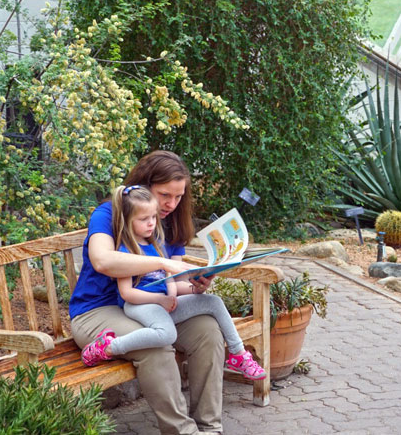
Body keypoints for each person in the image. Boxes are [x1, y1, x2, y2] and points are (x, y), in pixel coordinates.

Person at [69, 150, 225, 435]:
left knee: (208, 330)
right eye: (165, 194)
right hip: (97, 311)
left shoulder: (169, 222)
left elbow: (172, 283)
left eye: (178, 197)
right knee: (156, 346)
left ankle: (210, 427)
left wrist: (195, 283)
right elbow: (103, 260)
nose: (171, 204)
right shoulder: (108, 214)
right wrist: (160, 261)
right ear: (145, 185)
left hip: (147, 304)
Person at [80, 184, 266, 382]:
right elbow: (127, 295)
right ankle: (107, 346)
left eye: (153, 217)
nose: (151, 223)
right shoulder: (126, 251)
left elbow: (168, 280)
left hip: (163, 304)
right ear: (128, 221)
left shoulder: (157, 246)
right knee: (167, 335)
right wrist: (161, 300)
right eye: (144, 219)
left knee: (213, 302)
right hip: (141, 305)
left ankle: (238, 354)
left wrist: (193, 287)